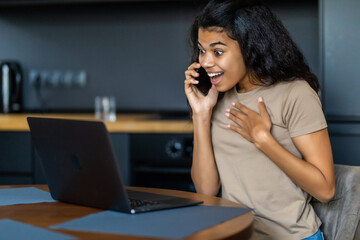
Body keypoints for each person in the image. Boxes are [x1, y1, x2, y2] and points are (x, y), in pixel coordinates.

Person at [184, 0, 335, 239]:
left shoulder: (295, 93)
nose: (205, 62)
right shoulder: (217, 98)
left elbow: (325, 189)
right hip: (235, 234)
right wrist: (201, 114)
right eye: (202, 50)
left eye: (218, 51)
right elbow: (206, 190)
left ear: (250, 47)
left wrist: (263, 139)